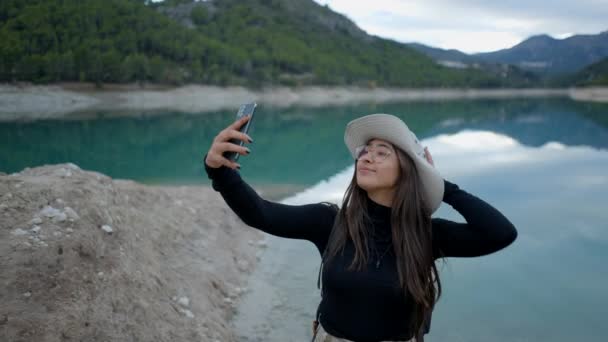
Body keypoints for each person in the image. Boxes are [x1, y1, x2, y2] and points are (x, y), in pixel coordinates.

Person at [203, 113, 518, 342]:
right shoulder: (329, 222)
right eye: (364, 152)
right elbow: (261, 214)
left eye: (382, 153)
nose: (366, 158)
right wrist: (220, 171)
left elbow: (500, 233)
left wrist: (439, 183)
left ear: (408, 172)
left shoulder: (426, 235)